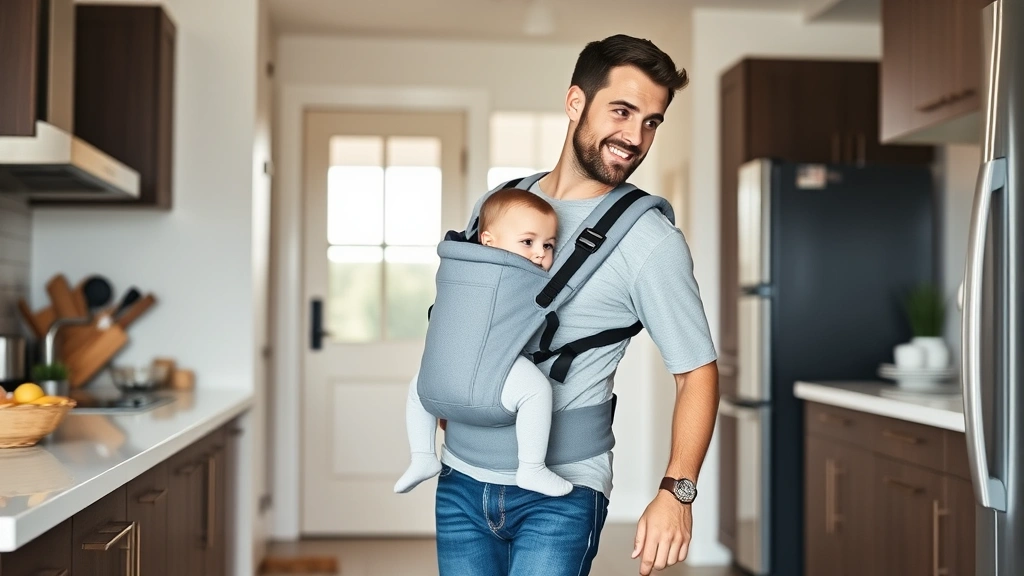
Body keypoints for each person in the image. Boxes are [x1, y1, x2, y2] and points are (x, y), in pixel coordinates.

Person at [433, 34, 720, 576]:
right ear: (574, 103)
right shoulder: (500, 206)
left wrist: (677, 494)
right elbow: (460, 318)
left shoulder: (649, 240)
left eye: (652, 121)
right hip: (461, 480)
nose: (635, 136)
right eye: (622, 111)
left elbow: (696, 374)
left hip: (561, 492)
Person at [394, 188, 574, 498]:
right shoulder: (485, 271)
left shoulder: (467, 263)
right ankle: (425, 457)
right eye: (527, 242)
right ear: (488, 241)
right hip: (476, 361)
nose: (539, 254)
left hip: (484, 359)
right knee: (535, 390)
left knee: (420, 389)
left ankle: (425, 456)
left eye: (549, 245)